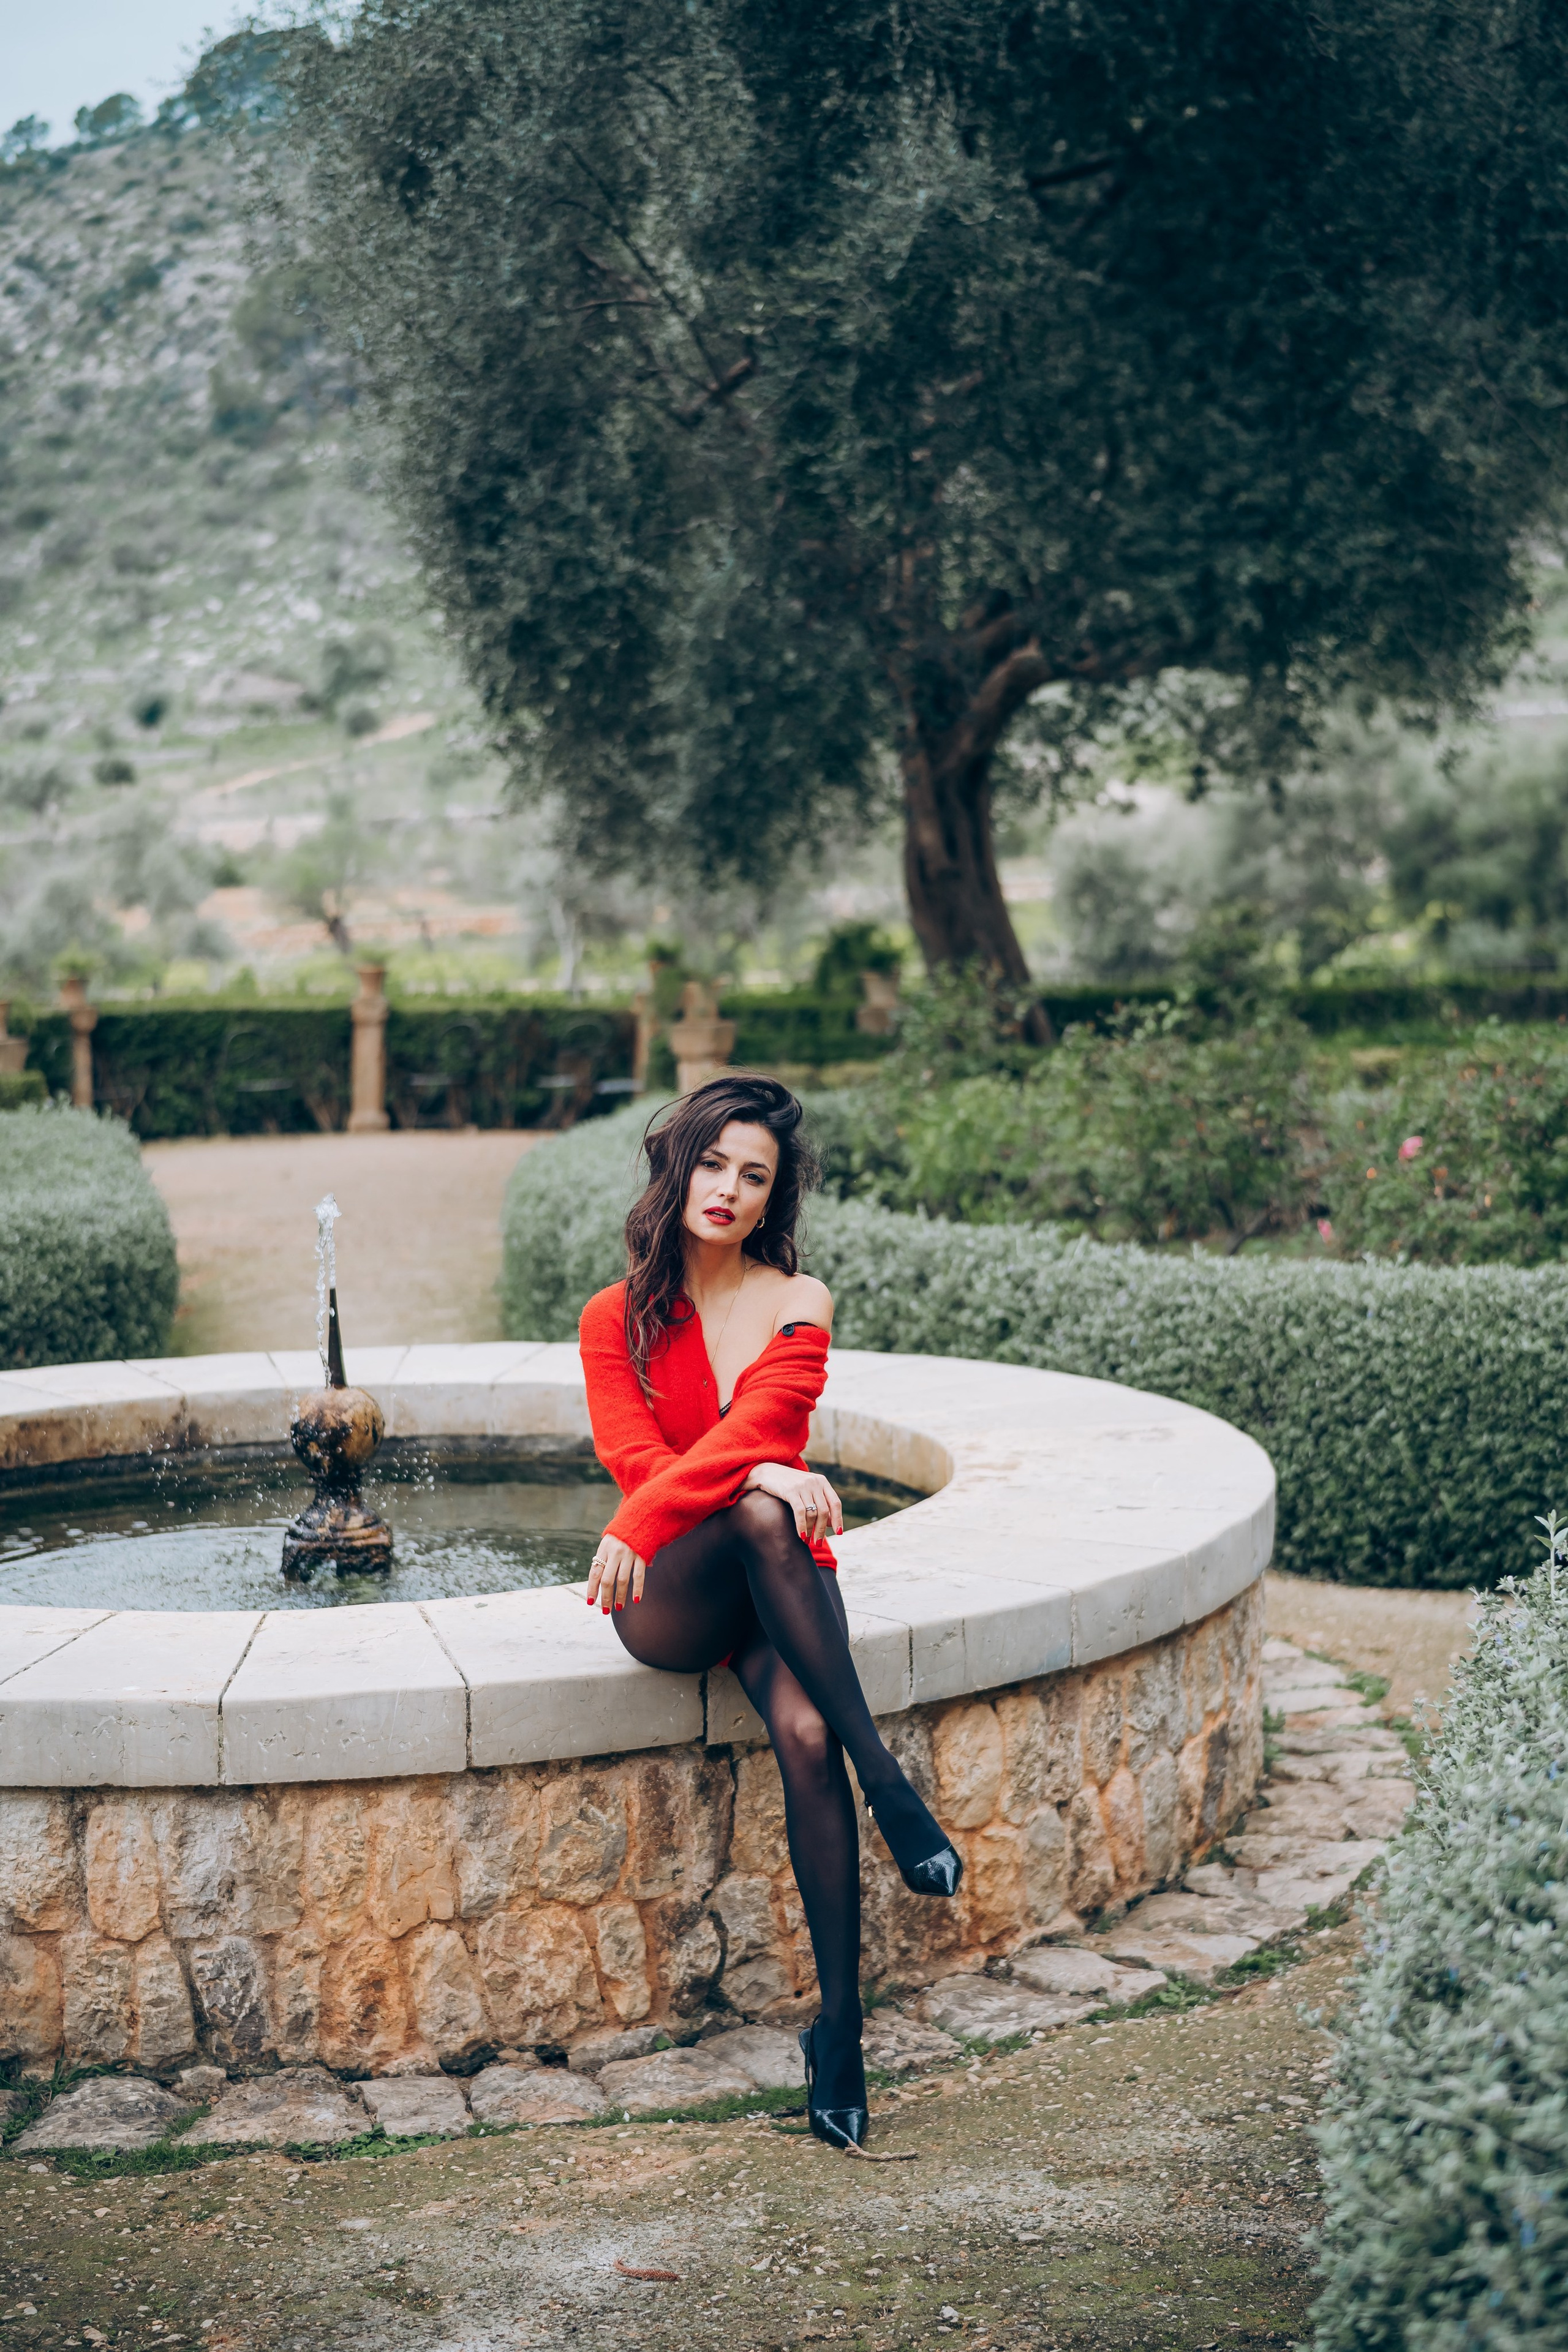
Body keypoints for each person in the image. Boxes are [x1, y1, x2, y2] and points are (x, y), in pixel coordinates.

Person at [579, 1072, 962, 2151]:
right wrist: (728, 1494)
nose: (729, 1190)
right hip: (676, 1599)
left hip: (778, 1566)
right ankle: (888, 1779)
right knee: (756, 1506)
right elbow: (639, 1456)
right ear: (677, 1167)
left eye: (754, 1176)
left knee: (802, 1732)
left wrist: (759, 1478)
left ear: (772, 1197)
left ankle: (838, 2036)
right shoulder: (614, 1318)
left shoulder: (801, 1299)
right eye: (712, 1164)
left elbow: (767, 1421)